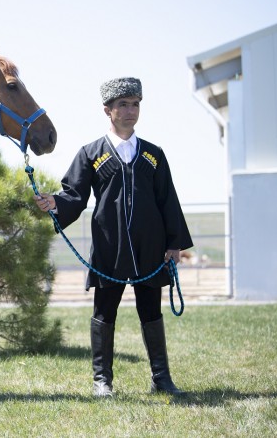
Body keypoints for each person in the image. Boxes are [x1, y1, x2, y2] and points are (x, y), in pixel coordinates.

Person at [34, 77, 193, 397]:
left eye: (135, 104)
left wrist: (174, 244)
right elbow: (74, 195)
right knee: (104, 313)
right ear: (107, 110)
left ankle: (161, 378)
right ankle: (102, 381)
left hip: (150, 250)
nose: (130, 110)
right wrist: (55, 202)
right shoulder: (91, 153)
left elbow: (168, 199)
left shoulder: (153, 155)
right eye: (123, 104)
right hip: (110, 249)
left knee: (151, 312)